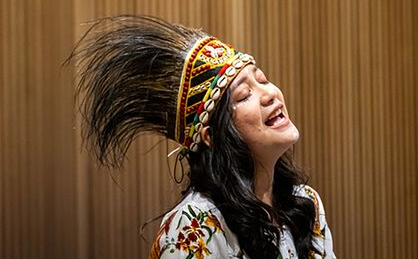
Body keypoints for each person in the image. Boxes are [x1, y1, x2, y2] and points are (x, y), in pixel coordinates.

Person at [68, 15, 335, 259]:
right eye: (244, 95)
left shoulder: (304, 203)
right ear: (212, 136)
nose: (270, 94)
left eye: (262, 80)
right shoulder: (193, 225)